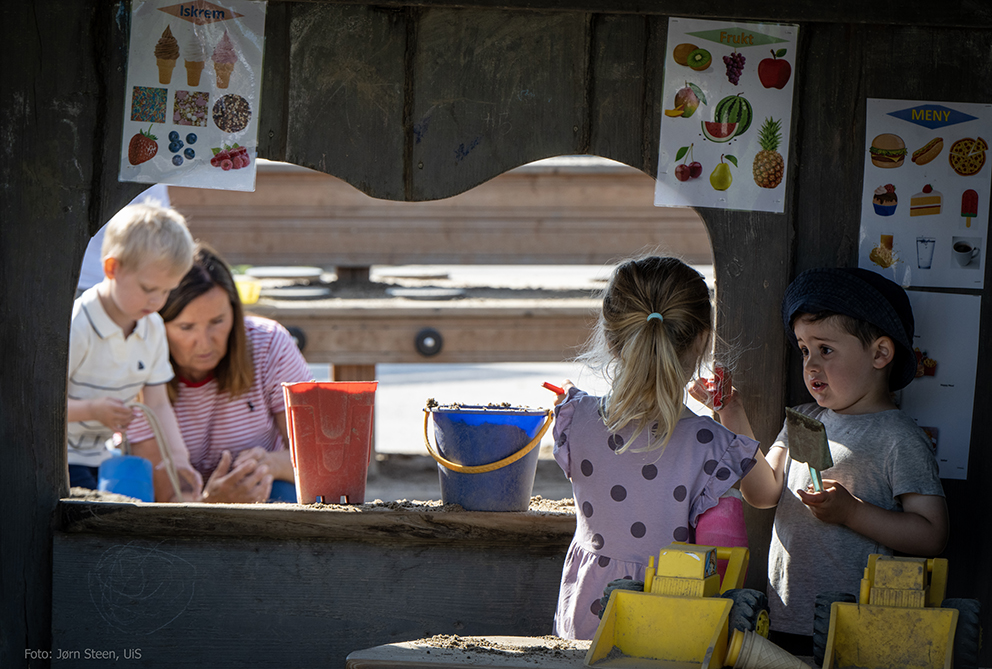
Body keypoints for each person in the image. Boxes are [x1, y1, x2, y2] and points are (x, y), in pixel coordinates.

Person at [716, 267, 947, 654]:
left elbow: (932, 535)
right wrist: (730, 412)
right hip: (784, 614)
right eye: (805, 350)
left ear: (880, 354)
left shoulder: (899, 437)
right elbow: (762, 491)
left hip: (857, 626)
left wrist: (851, 512)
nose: (809, 365)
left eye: (826, 349)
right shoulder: (805, 420)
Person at [549, 256, 768, 640]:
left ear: (611, 338)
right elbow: (763, 496)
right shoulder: (710, 445)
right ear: (702, 342)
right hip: (672, 615)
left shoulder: (574, 419)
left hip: (587, 613)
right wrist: (730, 411)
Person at [129, 243, 313, 503]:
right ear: (159, 325)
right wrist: (211, 503)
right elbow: (162, 498)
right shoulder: (138, 363)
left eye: (217, 322)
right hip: (181, 512)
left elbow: (318, 457)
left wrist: (270, 464)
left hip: (266, 492)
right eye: (186, 327)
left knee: (286, 493)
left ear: (235, 313)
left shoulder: (270, 343)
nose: (204, 343)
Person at [67, 203, 202, 497]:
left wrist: (178, 460)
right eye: (148, 288)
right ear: (112, 268)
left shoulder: (152, 327)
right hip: (58, 458)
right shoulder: (77, 325)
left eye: (167, 291)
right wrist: (91, 410)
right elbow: (39, 406)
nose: (157, 301)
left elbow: (158, 403)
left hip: (102, 456)